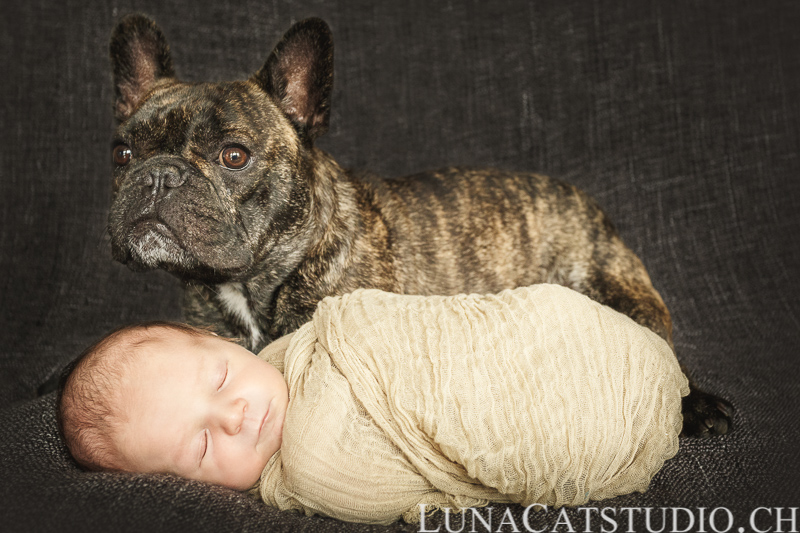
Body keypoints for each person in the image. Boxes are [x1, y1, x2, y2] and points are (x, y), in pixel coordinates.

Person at [57, 285, 688, 524]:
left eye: (221, 378)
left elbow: (425, 329)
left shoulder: (322, 338)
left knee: (540, 320)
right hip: (575, 423)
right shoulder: (311, 468)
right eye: (200, 446)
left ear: (226, 341)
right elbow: (377, 490)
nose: (235, 415)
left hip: (542, 338)